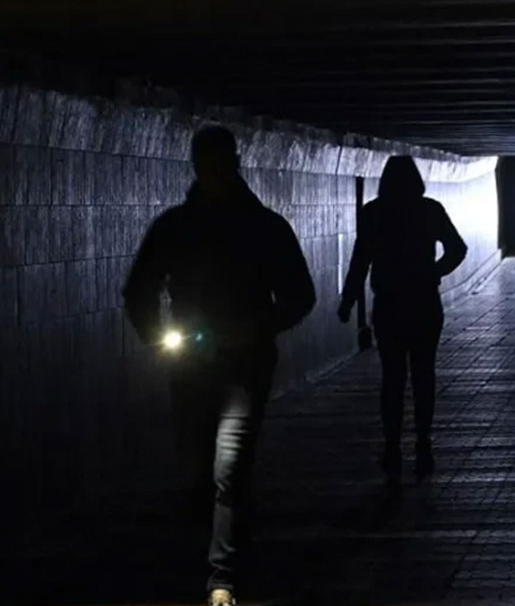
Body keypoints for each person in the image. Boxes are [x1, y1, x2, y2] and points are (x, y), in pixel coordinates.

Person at [122, 126, 315, 606]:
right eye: (206, 165)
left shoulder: (262, 226)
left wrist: (255, 328)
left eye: (219, 164)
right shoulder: (177, 227)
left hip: (245, 365)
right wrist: (156, 335)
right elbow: (139, 290)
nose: (213, 173)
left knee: (228, 462)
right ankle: (229, 544)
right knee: (198, 466)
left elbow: (300, 295)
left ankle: (220, 577)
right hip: (193, 362)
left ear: (233, 163)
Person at [338, 156, 467, 484]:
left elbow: (360, 260)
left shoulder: (372, 212)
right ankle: (424, 445)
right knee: (424, 374)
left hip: (389, 304)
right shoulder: (429, 209)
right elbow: (457, 248)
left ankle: (392, 448)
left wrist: (348, 300)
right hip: (424, 301)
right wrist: (434, 272)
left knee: (392, 378)